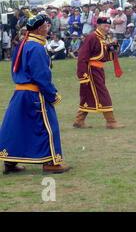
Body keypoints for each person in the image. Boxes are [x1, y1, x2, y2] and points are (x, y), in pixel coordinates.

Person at [0, 15, 71, 174]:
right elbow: (41, 76)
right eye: (46, 25)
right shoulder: (37, 47)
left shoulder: (23, 44)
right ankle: (51, 162)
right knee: (48, 127)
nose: (48, 27)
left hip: (20, 93)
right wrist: (52, 95)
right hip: (35, 95)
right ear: (39, 28)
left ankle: (10, 163)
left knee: (17, 127)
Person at [72, 17, 125, 129]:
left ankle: (79, 120)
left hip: (99, 70)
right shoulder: (92, 37)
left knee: (88, 95)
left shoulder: (101, 38)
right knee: (104, 95)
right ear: (98, 25)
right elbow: (82, 56)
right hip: (91, 71)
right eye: (105, 26)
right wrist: (83, 74)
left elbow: (100, 52)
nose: (107, 28)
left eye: (109, 26)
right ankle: (110, 121)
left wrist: (110, 48)